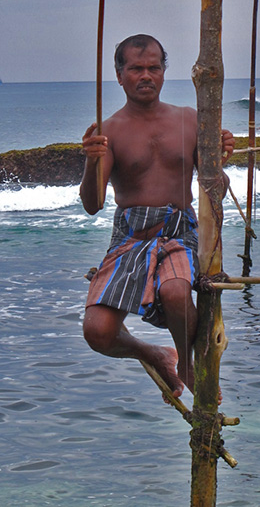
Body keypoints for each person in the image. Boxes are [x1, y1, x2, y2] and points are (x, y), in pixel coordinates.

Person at [80, 34, 234, 399]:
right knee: (97, 331)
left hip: (178, 230)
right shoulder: (109, 131)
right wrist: (90, 162)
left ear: (164, 72)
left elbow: (217, 189)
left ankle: (186, 362)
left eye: (153, 67)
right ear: (120, 76)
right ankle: (153, 352)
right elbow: (93, 203)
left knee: (177, 290)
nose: (145, 75)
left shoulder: (188, 120)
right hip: (130, 236)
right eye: (135, 69)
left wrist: (219, 163)